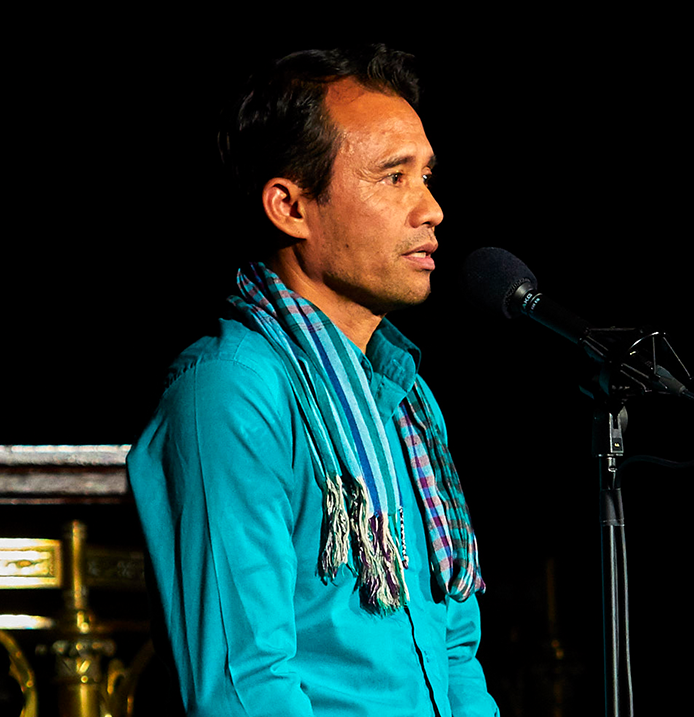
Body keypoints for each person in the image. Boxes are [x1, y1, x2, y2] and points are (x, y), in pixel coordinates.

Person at [127, 44, 498, 716]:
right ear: (291, 206)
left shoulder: (408, 400)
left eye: (426, 176)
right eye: (394, 178)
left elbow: (455, 655)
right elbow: (244, 688)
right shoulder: (230, 392)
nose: (431, 208)